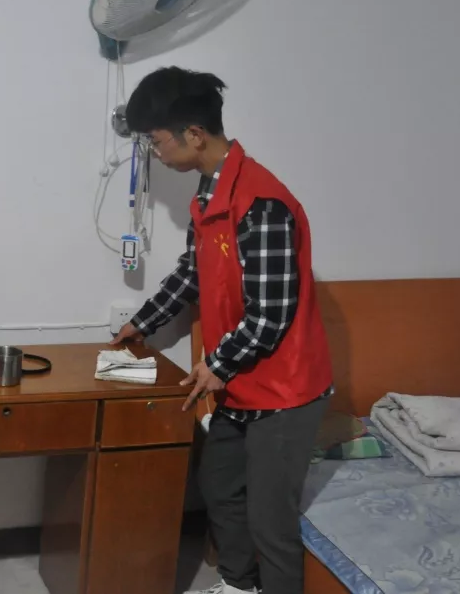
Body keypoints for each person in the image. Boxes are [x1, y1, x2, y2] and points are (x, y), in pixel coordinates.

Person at [111, 67, 333, 594]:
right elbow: (193, 272)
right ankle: (239, 584)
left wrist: (215, 364)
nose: (155, 152)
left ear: (193, 134)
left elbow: (270, 315)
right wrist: (141, 323)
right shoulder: (209, 194)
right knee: (218, 485)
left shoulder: (262, 203)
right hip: (241, 378)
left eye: (156, 140)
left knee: (270, 521)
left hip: (285, 390)